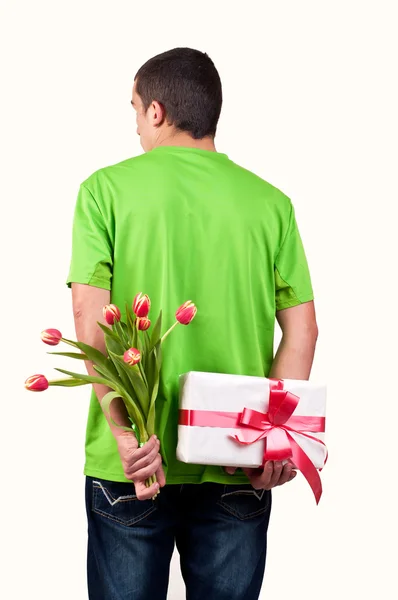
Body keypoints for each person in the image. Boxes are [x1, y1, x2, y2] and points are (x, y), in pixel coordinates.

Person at [67, 47, 318, 600]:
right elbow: (302, 330)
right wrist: (273, 443)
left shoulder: (104, 190)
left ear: (156, 111)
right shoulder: (271, 204)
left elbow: (90, 317)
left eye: (134, 110)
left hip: (132, 463)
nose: (135, 126)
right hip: (233, 462)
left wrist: (123, 433)